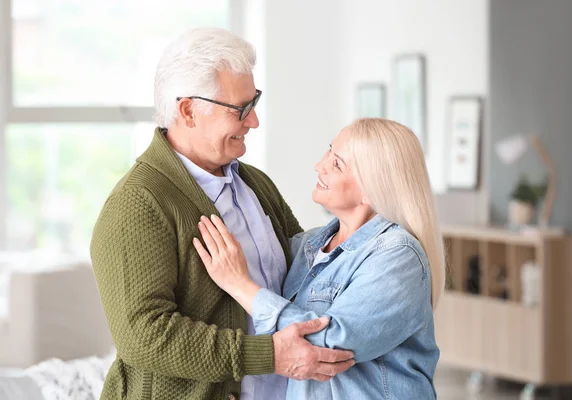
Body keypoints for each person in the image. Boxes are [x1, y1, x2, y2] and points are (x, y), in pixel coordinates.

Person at [90, 27, 354, 400]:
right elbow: (144, 336)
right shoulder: (138, 203)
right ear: (188, 111)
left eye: (254, 102)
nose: (254, 121)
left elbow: (305, 271)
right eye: (240, 109)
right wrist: (268, 356)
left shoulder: (255, 184)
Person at [193, 118, 446, 399]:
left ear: (372, 190)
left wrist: (241, 286)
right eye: (329, 151)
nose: (319, 166)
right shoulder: (307, 246)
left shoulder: (398, 256)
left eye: (337, 163)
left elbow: (330, 346)